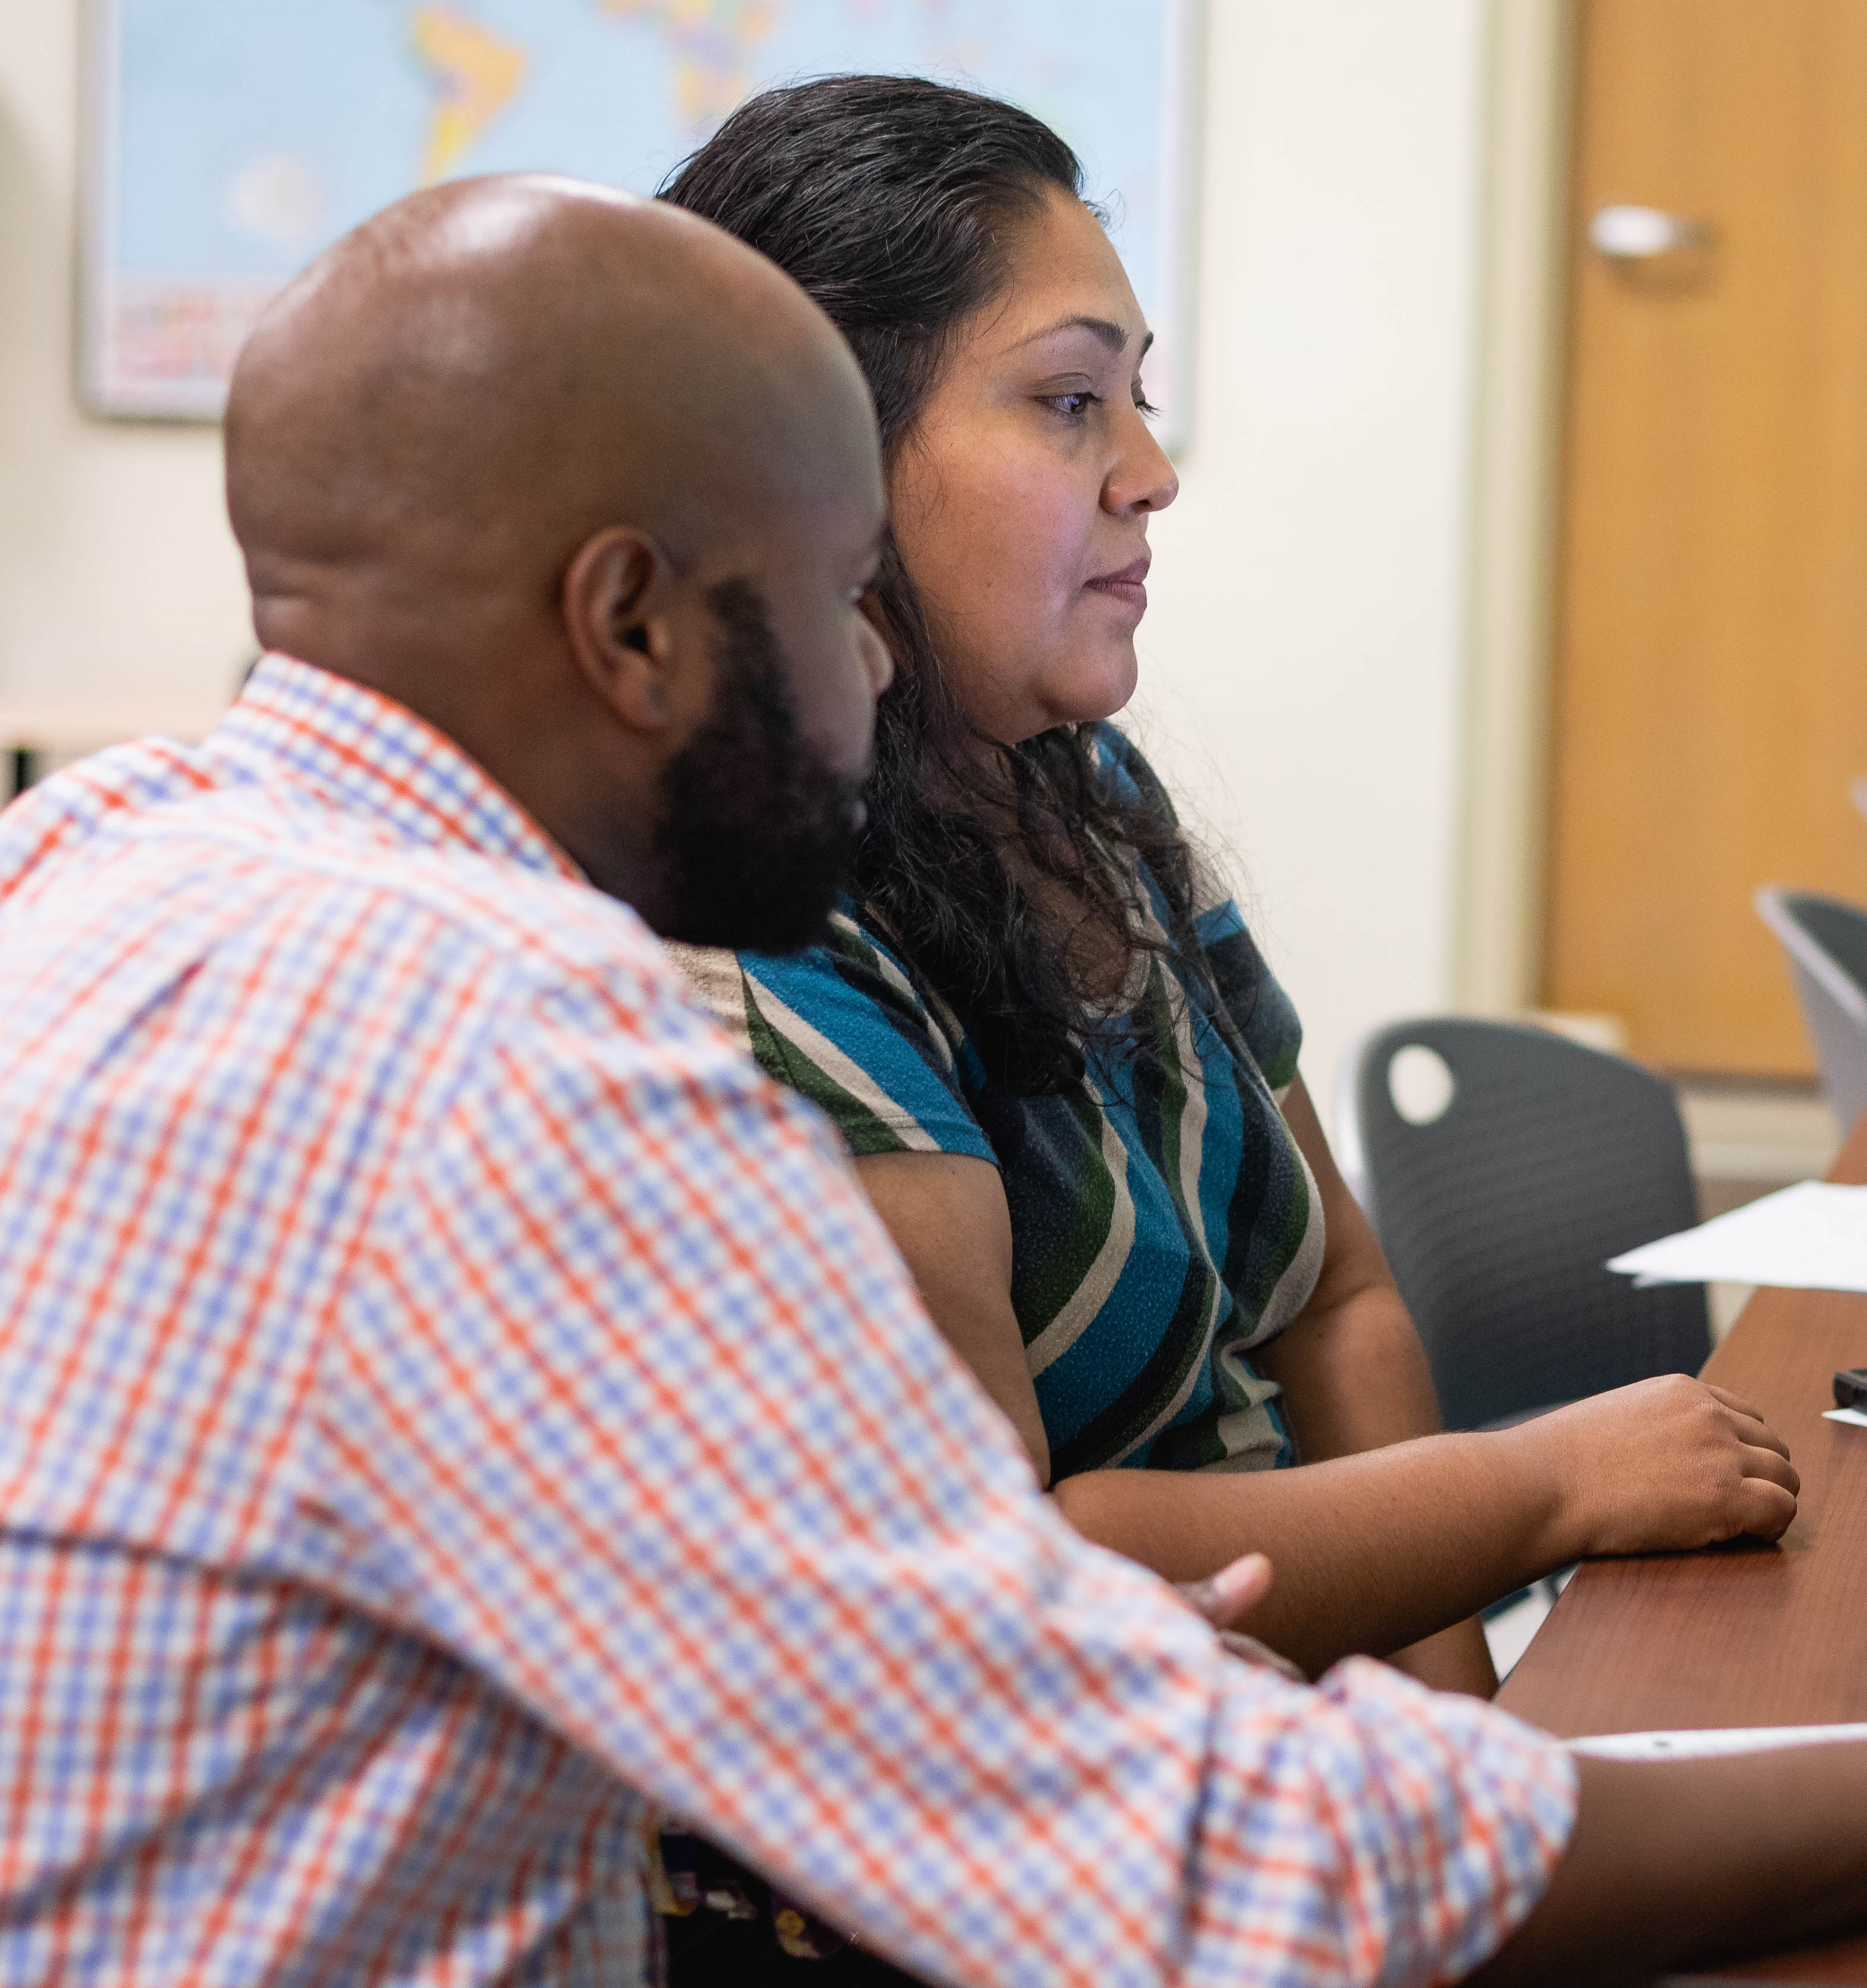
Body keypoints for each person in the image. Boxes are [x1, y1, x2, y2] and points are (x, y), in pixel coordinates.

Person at [0, 175, 1867, 1988]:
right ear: (631, 627)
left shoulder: (96, 863)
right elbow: (1223, 1893)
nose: (866, 685)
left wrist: (1067, 1692)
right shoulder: (521, 1050)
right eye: (833, 602)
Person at [650, 73, 1769, 1708]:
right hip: (1092, 1771)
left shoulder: (1086, 790)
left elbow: (1344, 1301)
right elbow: (1018, 1562)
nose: (1151, 471)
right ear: (828, 458)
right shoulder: (762, 938)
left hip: (1311, 1720)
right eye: (1068, 402)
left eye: (1140, 397)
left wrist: (1465, 1758)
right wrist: (1547, 1489)